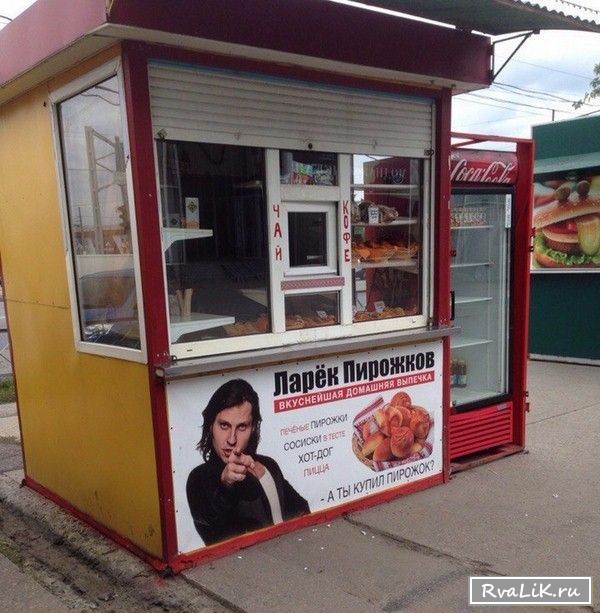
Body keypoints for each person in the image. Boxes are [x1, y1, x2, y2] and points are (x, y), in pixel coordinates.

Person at [186, 379, 310, 545]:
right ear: (211, 426)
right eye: (224, 425)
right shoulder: (199, 477)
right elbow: (211, 520)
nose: (231, 439)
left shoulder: (268, 465)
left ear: (253, 428)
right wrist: (225, 485)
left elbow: (301, 509)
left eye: (242, 427)